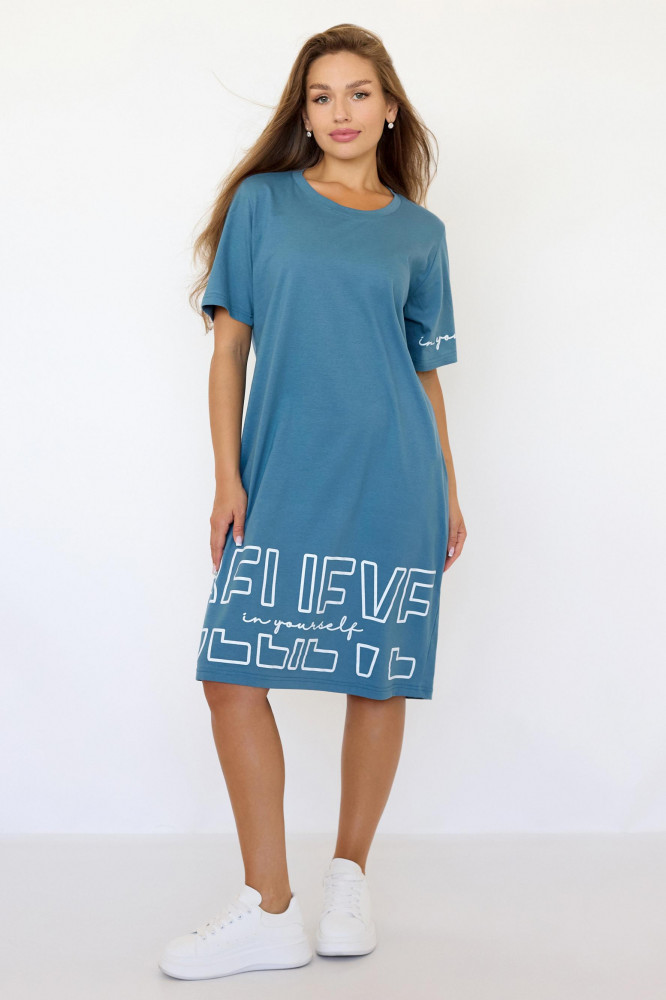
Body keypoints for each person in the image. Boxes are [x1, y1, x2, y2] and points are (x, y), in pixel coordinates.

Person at [158, 22, 467, 982]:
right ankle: (268, 907)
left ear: (390, 108)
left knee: (377, 675)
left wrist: (450, 487)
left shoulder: (420, 235)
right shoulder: (264, 205)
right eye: (321, 95)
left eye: (359, 92)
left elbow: (423, 372)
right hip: (284, 473)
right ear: (304, 110)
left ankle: (347, 883)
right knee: (231, 678)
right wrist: (227, 477)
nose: (340, 111)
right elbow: (229, 351)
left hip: (394, 476)